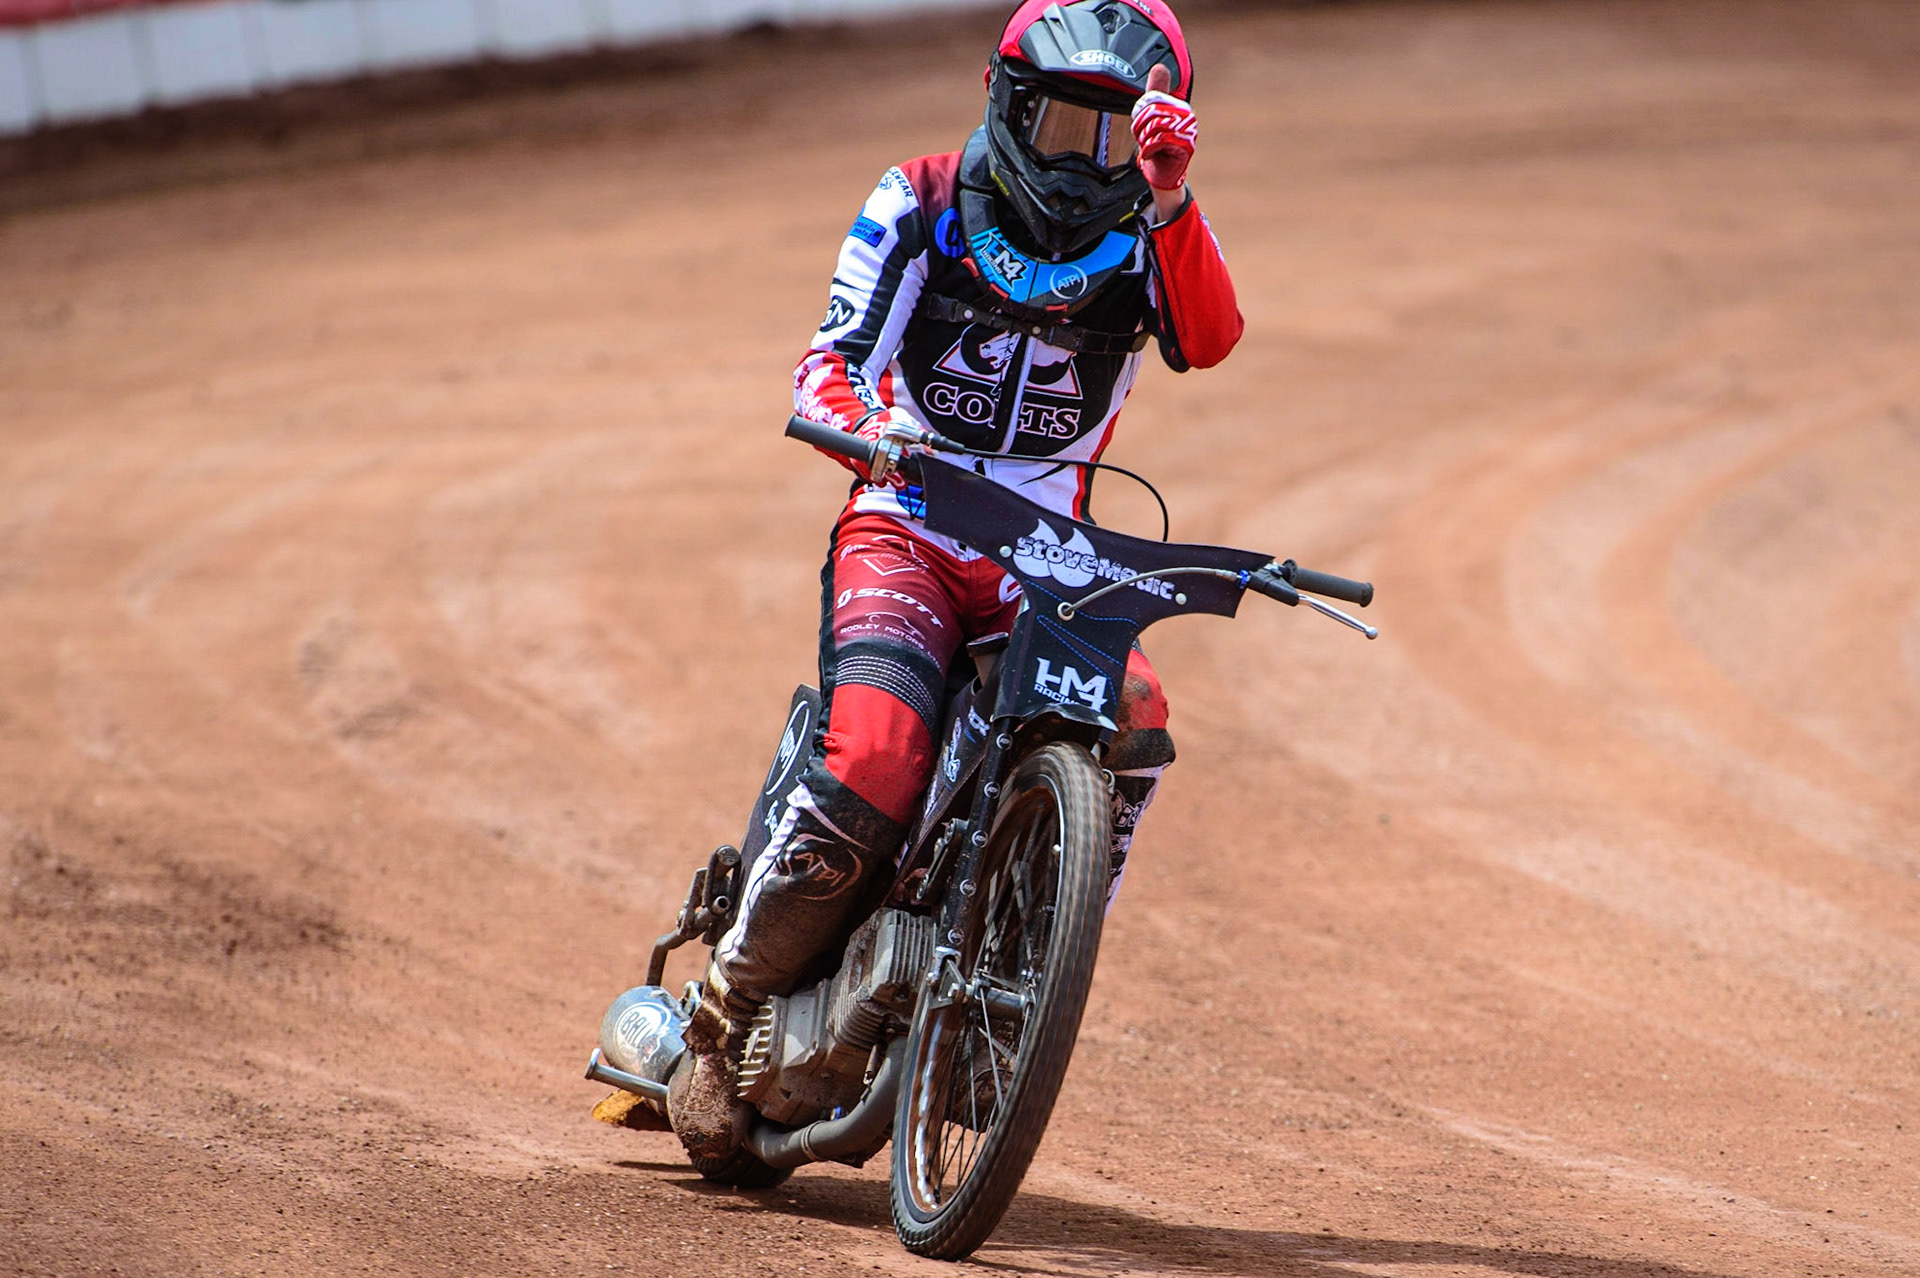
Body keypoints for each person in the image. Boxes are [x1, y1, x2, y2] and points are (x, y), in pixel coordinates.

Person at [669, 0, 1243, 1161]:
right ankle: (724, 1007)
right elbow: (823, 366)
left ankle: (1021, 982)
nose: (1091, 159)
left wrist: (1173, 197)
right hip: (910, 524)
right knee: (878, 758)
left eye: (1118, 133)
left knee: (1138, 711)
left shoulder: (1150, 230)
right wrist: (871, 429)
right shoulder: (918, 197)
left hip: (1047, 558)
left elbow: (1212, 339)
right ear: (1009, 102)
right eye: (1066, 124)